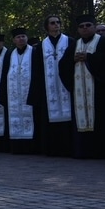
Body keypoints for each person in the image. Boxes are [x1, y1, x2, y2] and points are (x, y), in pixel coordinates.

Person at [58, 14, 105, 159]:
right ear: (78, 29)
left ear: (94, 26)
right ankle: (83, 151)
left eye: (88, 25)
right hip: (80, 93)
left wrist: (90, 58)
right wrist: (73, 60)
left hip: (101, 93)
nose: (85, 28)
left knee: (104, 121)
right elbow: (63, 66)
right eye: (81, 26)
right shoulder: (74, 45)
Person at [35, 15, 73, 157]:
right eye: (52, 23)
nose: (56, 25)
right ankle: (52, 149)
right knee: (49, 116)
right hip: (48, 87)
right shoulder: (41, 46)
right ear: (47, 27)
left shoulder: (70, 41)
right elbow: (37, 70)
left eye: (58, 22)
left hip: (67, 85)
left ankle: (69, 147)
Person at [0, 27, 41, 155]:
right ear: (14, 40)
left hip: (30, 93)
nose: (21, 39)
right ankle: (17, 147)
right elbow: (4, 75)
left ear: (27, 38)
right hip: (14, 96)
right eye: (18, 37)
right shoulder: (9, 55)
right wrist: (2, 94)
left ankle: (32, 147)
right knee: (15, 119)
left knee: (32, 119)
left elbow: (38, 73)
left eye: (23, 36)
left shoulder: (34, 52)